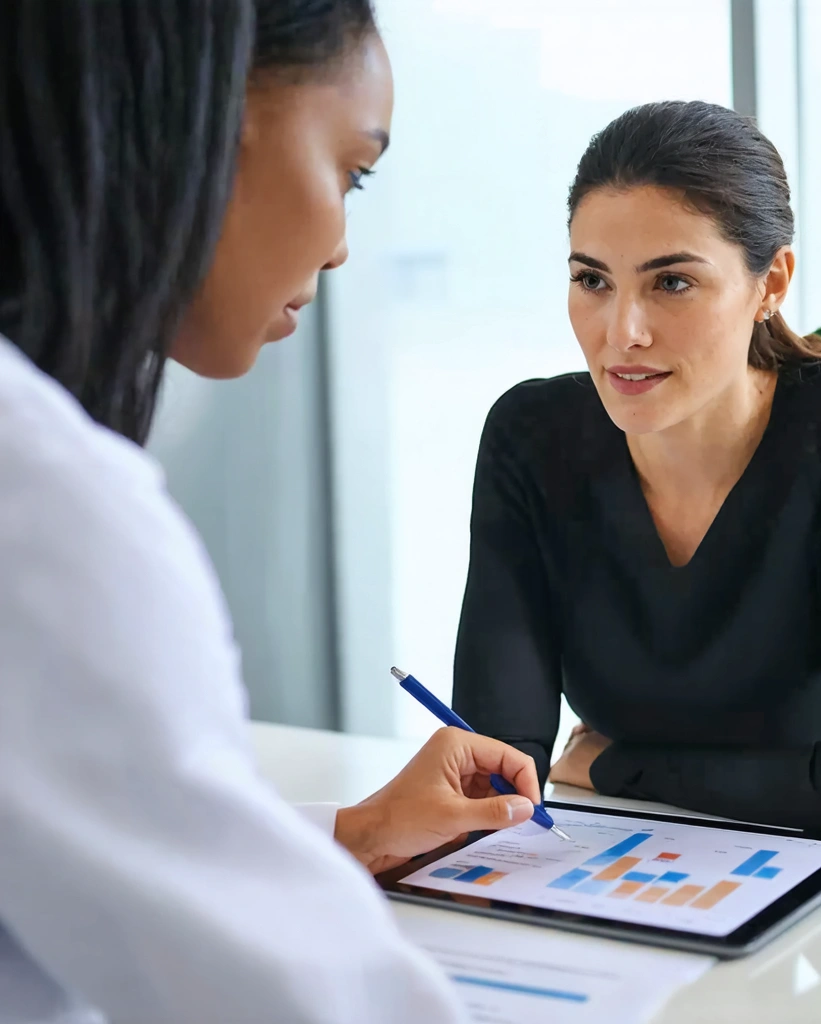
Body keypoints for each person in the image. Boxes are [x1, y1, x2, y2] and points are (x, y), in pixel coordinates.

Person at [0, 2, 538, 1021]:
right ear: (206, 113)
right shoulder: (44, 507)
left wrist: (340, 832)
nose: (340, 248)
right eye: (351, 170)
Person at [452, 100, 821, 846]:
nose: (623, 333)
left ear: (770, 283)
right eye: (593, 280)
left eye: (672, 283)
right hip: (640, 860)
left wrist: (622, 768)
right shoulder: (532, 435)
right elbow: (502, 772)